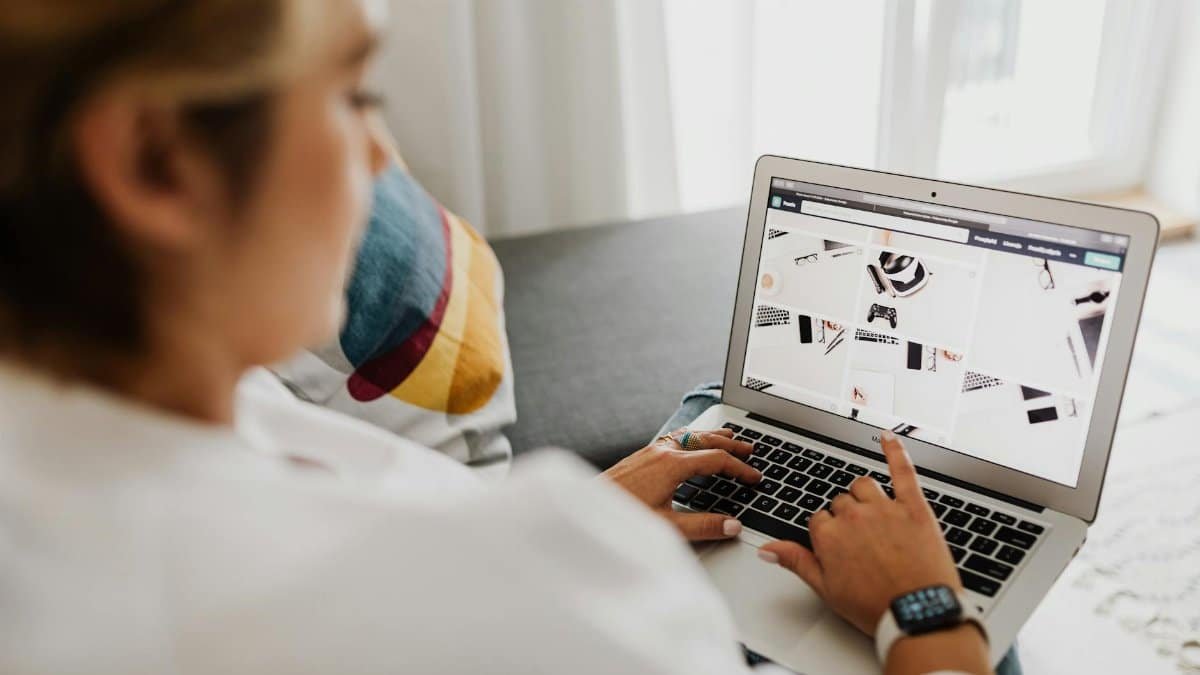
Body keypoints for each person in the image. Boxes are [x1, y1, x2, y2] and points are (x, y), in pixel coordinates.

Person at [0, 2, 992, 673]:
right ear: (153, 162)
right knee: (975, 604)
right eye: (351, 97)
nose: (383, 158)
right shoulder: (532, 610)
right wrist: (925, 619)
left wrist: (592, 518)